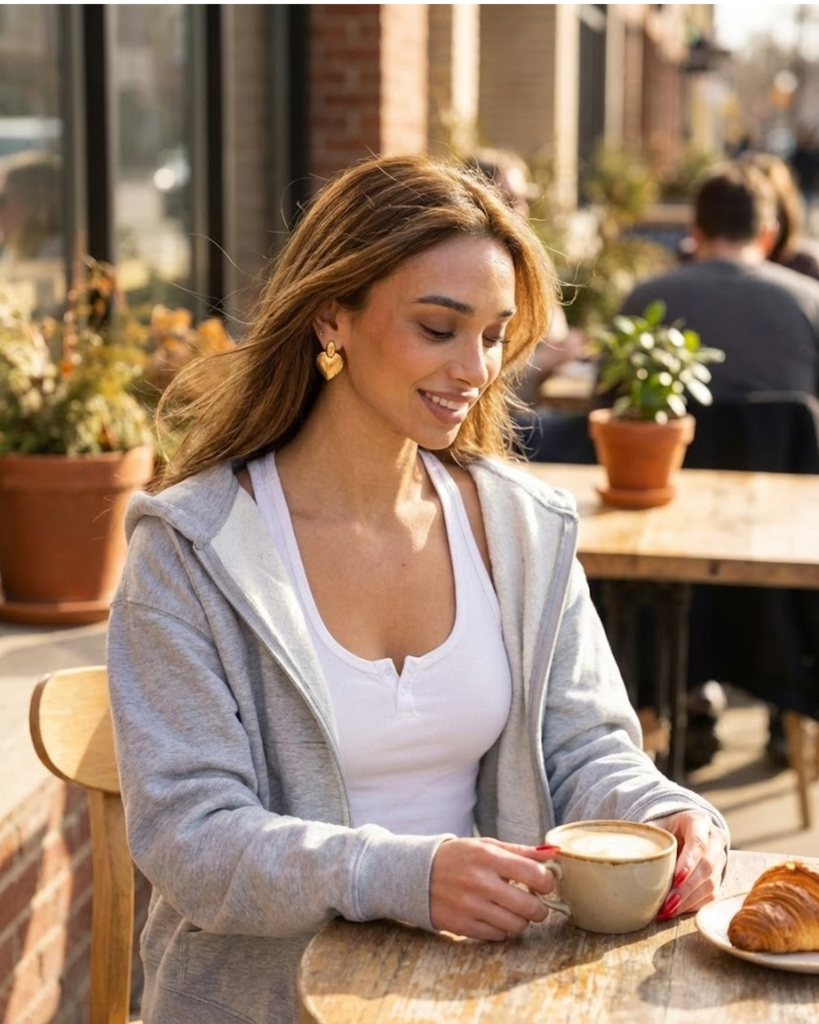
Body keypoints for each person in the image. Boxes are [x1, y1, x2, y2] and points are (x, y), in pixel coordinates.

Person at [107, 154, 729, 1024]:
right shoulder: (193, 550)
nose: (474, 369)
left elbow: (585, 748)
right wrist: (404, 875)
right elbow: (191, 839)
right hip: (267, 1004)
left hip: (490, 994)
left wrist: (666, 813)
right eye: (438, 329)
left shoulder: (521, 529)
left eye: (492, 334)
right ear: (333, 317)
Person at [619, 161, 819, 400]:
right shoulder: (809, 302)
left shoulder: (645, 299)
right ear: (768, 235)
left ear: (694, 232)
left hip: (683, 437)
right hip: (784, 437)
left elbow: (608, 406)